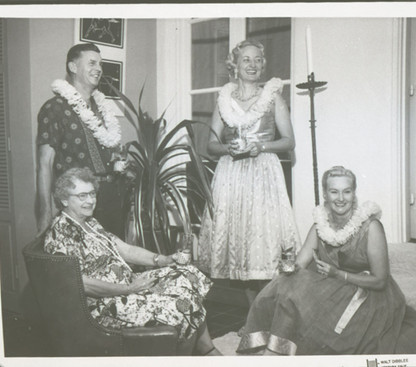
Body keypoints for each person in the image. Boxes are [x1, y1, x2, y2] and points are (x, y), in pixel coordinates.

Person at [236, 166, 416, 355]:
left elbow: (380, 281)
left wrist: (338, 274)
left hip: (370, 296)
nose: (340, 199)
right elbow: (298, 266)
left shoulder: (371, 227)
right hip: (333, 289)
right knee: (288, 281)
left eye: (346, 192)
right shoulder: (319, 226)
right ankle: (275, 349)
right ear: (325, 194)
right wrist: (287, 265)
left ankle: (279, 351)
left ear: (353, 194)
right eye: (334, 192)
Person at [44, 167, 222, 356]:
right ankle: (190, 356)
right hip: (103, 304)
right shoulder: (61, 233)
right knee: (180, 304)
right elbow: (78, 282)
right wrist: (128, 290)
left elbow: (126, 249)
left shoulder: (90, 223)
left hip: (129, 284)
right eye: (82, 196)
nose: (90, 201)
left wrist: (163, 260)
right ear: (64, 199)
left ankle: (206, 349)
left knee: (189, 274)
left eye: (92, 194)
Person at [197, 40, 302, 304]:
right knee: (242, 248)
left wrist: (261, 145)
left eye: (257, 60)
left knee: (263, 246)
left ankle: (272, 313)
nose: (253, 65)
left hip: (263, 174)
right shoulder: (224, 101)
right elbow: (209, 145)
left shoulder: (272, 99)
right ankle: (253, 317)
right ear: (234, 65)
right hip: (231, 177)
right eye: (246, 59)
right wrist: (227, 149)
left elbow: (289, 141)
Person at [36, 43, 124, 238]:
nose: (99, 69)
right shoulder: (54, 108)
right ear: (73, 67)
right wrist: (44, 214)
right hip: (78, 200)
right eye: (92, 63)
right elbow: (44, 164)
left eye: (100, 64)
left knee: (118, 259)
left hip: (111, 197)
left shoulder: (102, 109)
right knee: (83, 263)